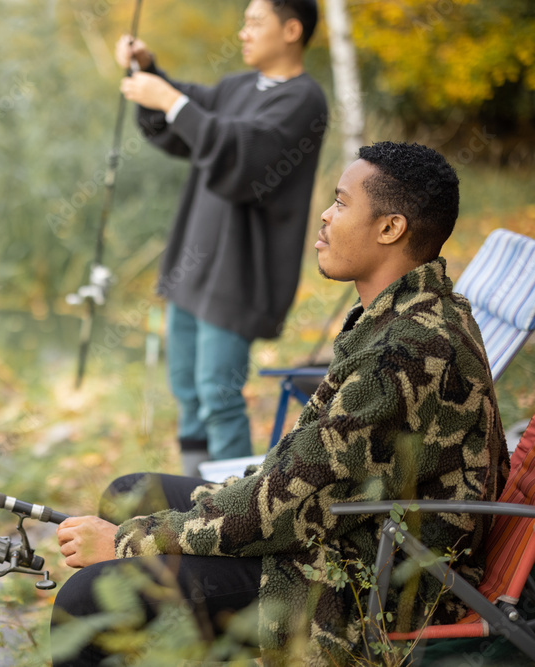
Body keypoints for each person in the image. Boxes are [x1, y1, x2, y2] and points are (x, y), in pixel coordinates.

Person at [51, 141, 510, 666]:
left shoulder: (408, 350)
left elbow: (281, 510)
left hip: (368, 591)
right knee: (132, 493)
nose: (325, 214)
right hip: (346, 530)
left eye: (341, 203)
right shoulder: (413, 310)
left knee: (87, 598)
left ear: (390, 228)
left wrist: (129, 544)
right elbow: (305, 476)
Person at [116, 0, 328, 471]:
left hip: (240, 278)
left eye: (255, 23)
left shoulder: (303, 101)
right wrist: (151, 71)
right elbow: (190, 125)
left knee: (219, 395)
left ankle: (231, 523)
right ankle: (195, 503)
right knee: (188, 393)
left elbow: (244, 157)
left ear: (291, 29)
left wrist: (171, 101)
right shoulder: (236, 86)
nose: (243, 33)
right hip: (194, 267)